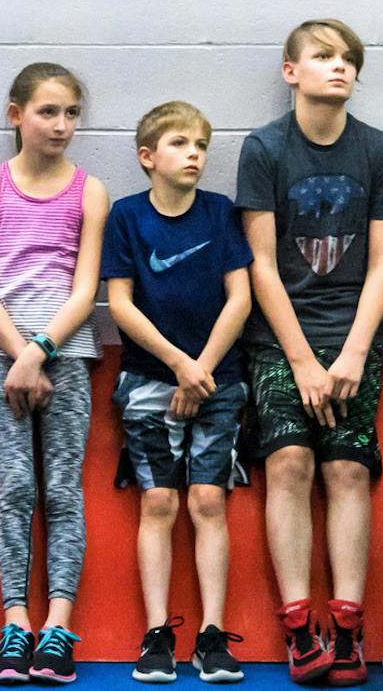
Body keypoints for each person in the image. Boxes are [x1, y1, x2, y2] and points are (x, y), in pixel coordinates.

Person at [237, 19, 383, 688]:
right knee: (290, 462)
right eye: (324, 56)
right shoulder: (265, 148)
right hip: (282, 337)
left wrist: (355, 351)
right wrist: (302, 359)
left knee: (348, 472)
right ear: (291, 71)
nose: (339, 68)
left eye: (349, 60)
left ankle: (347, 625)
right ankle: (299, 624)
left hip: (354, 335)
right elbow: (261, 263)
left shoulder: (377, 151)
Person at [0, 62, 109, 688]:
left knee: (61, 492)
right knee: (16, 489)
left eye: (72, 112)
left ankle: (57, 629)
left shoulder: (90, 191)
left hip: (67, 359)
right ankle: (16, 625)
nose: (62, 124)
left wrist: (41, 350)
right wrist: (17, 353)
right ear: (16, 114)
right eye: (49, 112)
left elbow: (85, 288)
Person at [102, 100, 253, 685]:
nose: (195, 154)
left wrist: (202, 369)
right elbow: (119, 302)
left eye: (201, 146)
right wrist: (175, 364)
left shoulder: (219, 213)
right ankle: (158, 632)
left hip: (219, 379)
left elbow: (239, 297)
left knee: (209, 502)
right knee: (159, 502)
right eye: (181, 144)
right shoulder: (126, 218)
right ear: (147, 157)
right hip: (148, 382)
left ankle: (211, 635)